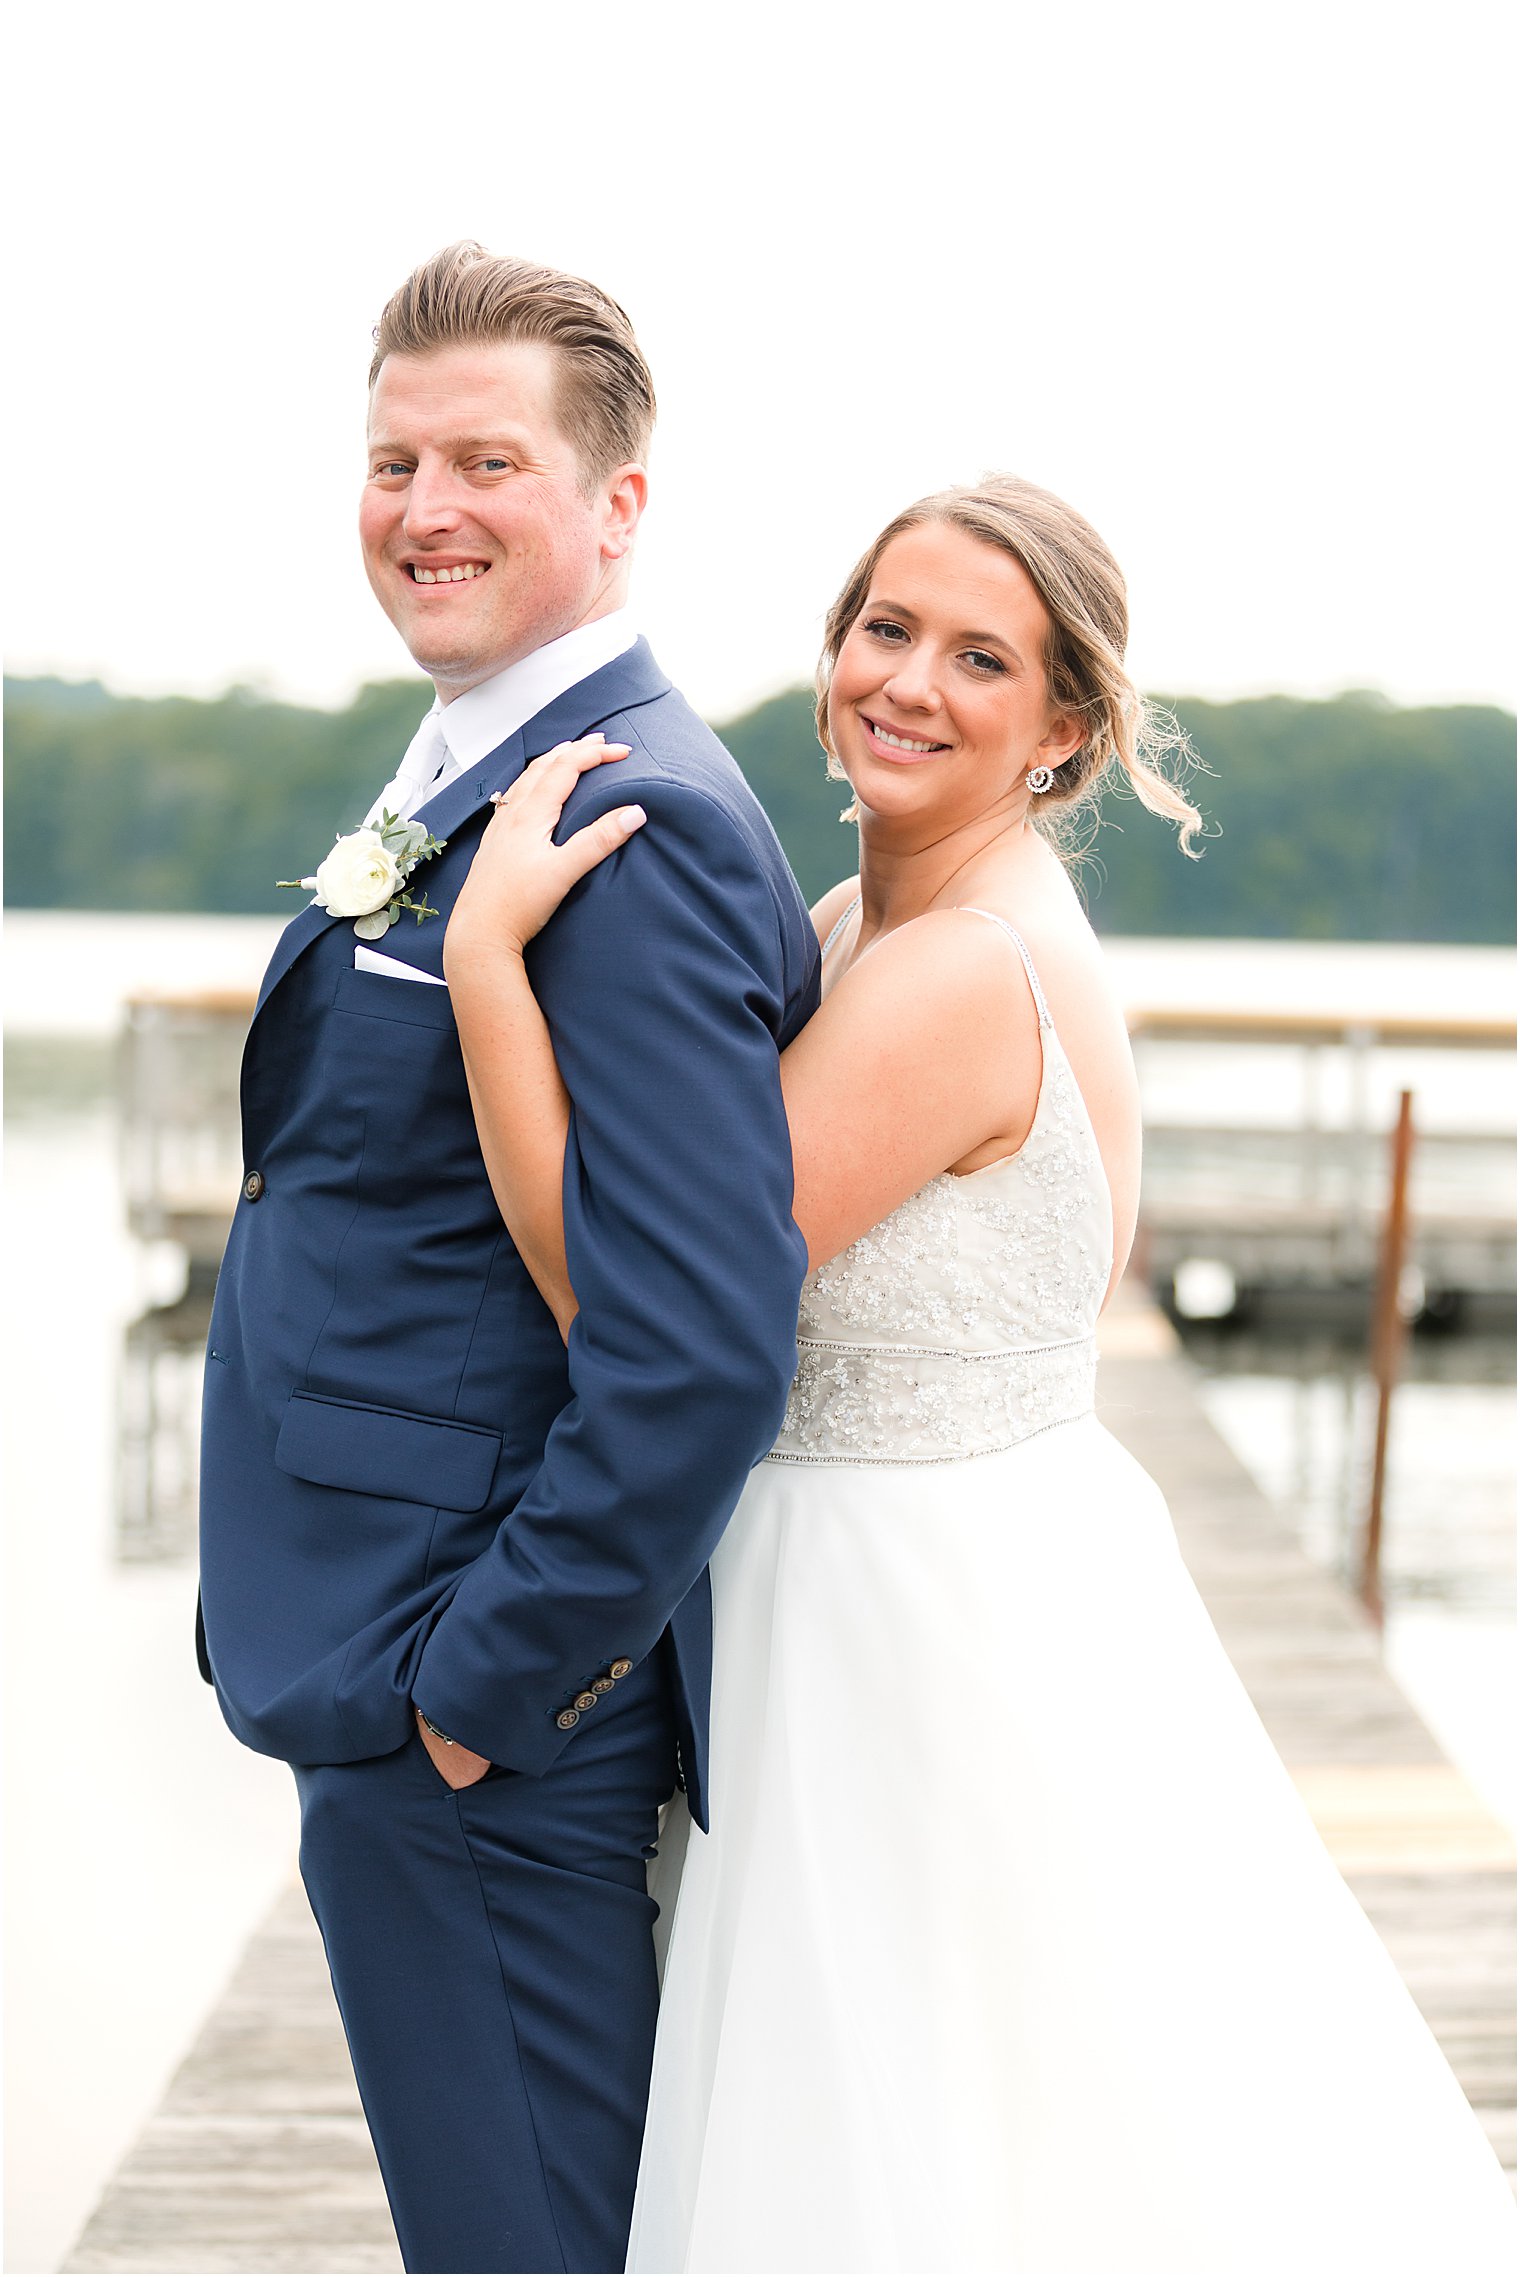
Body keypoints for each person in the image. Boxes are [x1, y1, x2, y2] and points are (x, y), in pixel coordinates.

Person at [450, 476, 1519, 2273]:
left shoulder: (956, 969)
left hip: (914, 1623)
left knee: (924, 2125)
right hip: (944, 1575)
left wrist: (487, 966)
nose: (910, 683)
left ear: (1065, 727)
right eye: (886, 629)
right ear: (831, 649)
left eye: (980, 657)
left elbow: (635, 1301)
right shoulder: (867, 929)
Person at [195, 241, 819, 2275]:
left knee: (527, 2244)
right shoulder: (473, 766)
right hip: (382, 1645)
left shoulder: (633, 823)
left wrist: (474, 1686)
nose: (424, 508)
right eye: (392, 461)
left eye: (484, 460)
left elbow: (701, 1342)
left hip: (463, 1689)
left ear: (618, 500)